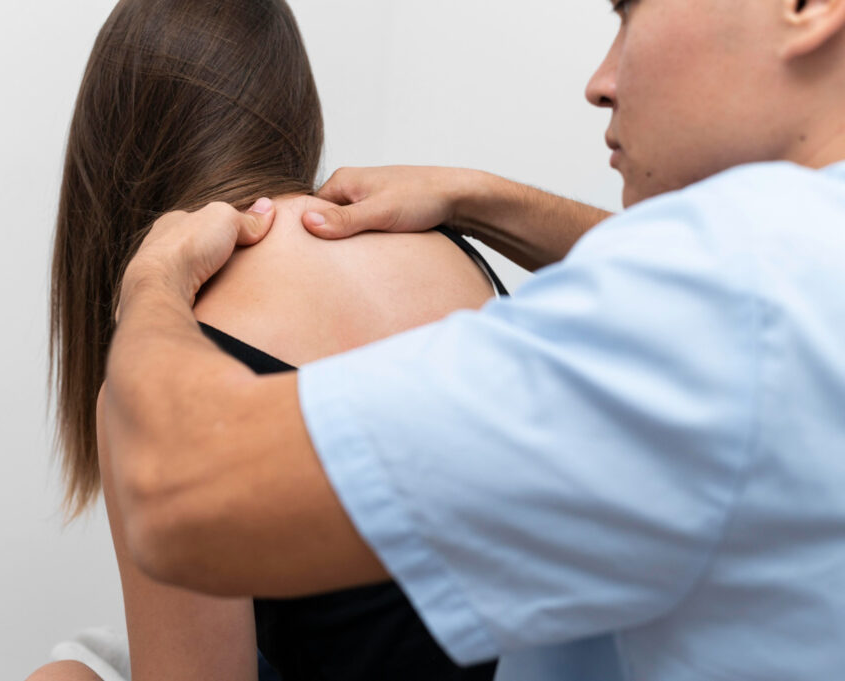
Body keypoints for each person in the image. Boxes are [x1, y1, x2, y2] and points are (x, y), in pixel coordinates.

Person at [95, 1, 845, 680]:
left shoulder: (728, 296)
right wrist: (480, 197)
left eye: (630, 11)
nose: (600, 79)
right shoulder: (785, 271)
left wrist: (153, 286)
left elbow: (173, 491)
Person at [29, 1, 520, 680]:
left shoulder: (161, 361)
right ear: (299, 114)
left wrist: (149, 286)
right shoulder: (457, 253)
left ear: (115, 147)